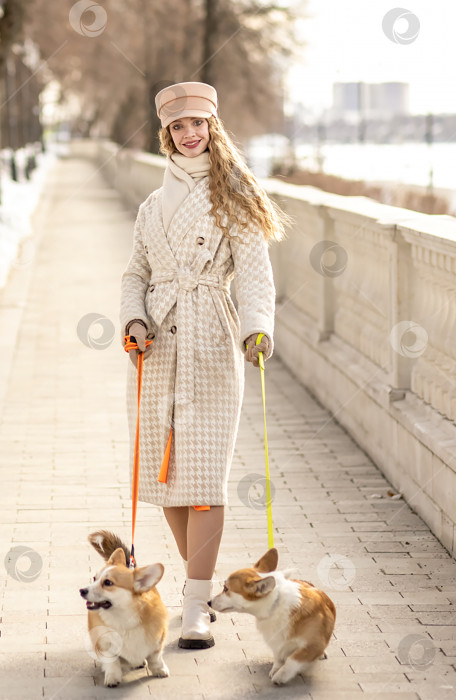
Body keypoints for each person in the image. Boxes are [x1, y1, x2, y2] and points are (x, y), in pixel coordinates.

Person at [119, 81, 288, 650]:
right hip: (157, 347)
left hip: (213, 343)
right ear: (165, 134)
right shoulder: (151, 204)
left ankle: (194, 608)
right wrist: (134, 321)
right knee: (167, 480)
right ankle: (205, 590)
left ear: (213, 129)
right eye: (178, 127)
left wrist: (256, 327)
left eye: (199, 125)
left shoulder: (233, 195)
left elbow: (257, 273)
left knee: (204, 479)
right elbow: (134, 275)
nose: (190, 135)